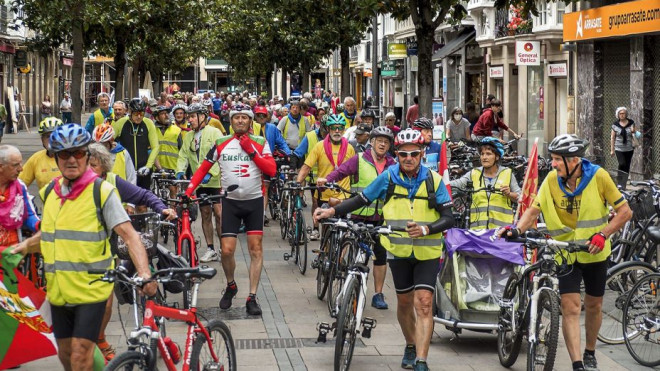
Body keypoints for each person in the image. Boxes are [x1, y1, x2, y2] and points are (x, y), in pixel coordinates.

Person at [11, 124, 157, 371]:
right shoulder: (51, 193)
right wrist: (22, 248)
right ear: (55, 158)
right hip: (59, 291)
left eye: (78, 153)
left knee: (80, 356)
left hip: (92, 291)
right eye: (64, 154)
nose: (71, 159)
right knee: (67, 357)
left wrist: (144, 273)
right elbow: (49, 235)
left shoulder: (102, 192)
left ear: (87, 156)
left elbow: (130, 236)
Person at [314, 128, 454, 371]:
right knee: (403, 304)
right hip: (399, 252)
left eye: (413, 154)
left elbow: (449, 217)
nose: (408, 158)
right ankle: (410, 344)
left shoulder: (435, 181)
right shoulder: (388, 177)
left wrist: (426, 229)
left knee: (423, 302)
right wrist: (331, 211)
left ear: (421, 154)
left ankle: (421, 360)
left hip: (428, 253)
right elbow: (362, 199)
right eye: (402, 154)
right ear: (396, 155)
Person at [497, 134, 632, 371]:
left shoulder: (599, 177)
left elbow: (624, 212)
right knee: (570, 306)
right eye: (553, 158)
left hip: (594, 252)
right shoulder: (550, 180)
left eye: (558, 159)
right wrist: (516, 229)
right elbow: (533, 210)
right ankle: (577, 363)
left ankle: (589, 351)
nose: (554, 164)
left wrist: (604, 234)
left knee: (594, 305)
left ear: (574, 160)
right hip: (565, 253)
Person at [185, 103, 276, 316]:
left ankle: (252, 297)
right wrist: (189, 190)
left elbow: (271, 169)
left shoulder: (260, 142)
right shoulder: (221, 143)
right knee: (226, 250)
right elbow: (202, 169)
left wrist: (251, 151)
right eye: (237, 118)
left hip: (253, 201)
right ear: (231, 121)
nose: (241, 121)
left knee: (256, 249)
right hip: (231, 202)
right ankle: (231, 285)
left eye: (245, 118)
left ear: (250, 120)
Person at [87, 142, 176, 361]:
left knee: (112, 297)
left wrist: (162, 207)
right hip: (85, 253)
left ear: (103, 166)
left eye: (93, 165)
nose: (88, 170)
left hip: (112, 248)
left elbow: (144, 196)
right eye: (86, 164)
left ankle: (101, 337)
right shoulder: (75, 186)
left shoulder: (111, 182)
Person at [317, 126, 397, 310]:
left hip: (380, 218)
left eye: (386, 142)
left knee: (380, 256)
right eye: (379, 141)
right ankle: (339, 271)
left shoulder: (393, 164)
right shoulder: (360, 160)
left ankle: (378, 294)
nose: (382, 144)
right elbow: (341, 172)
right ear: (372, 142)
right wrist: (327, 179)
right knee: (348, 244)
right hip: (358, 214)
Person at [175, 103, 224, 263]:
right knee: (205, 214)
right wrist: (180, 171)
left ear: (202, 116)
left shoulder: (214, 132)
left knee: (219, 213)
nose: (190, 120)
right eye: (189, 117)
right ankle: (211, 249)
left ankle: (224, 247)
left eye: (192, 116)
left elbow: (220, 154)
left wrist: (211, 173)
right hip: (199, 182)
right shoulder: (188, 136)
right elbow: (183, 155)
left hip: (215, 181)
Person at [296, 114, 355, 240]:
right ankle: (324, 254)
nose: (337, 131)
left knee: (343, 232)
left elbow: (354, 172)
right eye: (334, 128)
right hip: (324, 194)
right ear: (328, 129)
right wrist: (298, 182)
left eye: (340, 128)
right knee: (327, 232)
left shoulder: (350, 148)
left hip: (343, 195)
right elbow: (306, 166)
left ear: (344, 130)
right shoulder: (319, 146)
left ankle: (338, 257)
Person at [451, 137, 520, 229]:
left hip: (501, 233)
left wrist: (509, 194)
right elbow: (457, 184)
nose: (484, 157)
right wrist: (438, 181)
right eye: (482, 154)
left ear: (497, 156)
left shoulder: (507, 173)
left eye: (488, 154)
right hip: (478, 233)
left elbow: (521, 198)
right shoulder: (474, 173)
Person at [112, 98, 160, 196]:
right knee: (127, 201)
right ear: (130, 112)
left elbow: (155, 147)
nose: (139, 117)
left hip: (144, 169)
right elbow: (108, 140)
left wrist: (148, 166)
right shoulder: (121, 123)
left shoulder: (149, 123)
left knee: (142, 204)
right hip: (126, 169)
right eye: (135, 114)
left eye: (141, 114)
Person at [252, 105, 291, 225]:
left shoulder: (272, 128)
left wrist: (288, 154)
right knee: (261, 187)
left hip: (268, 161)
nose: (261, 118)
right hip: (254, 162)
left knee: (267, 186)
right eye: (258, 115)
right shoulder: (251, 128)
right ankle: (259, 213)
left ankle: (263, 213)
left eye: (263, 115)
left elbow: (281, 142)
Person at [1, 145, 40, 251]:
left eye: (20, 164)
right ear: (1, 167)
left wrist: (39, 225)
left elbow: (28, 215)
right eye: (15, 165)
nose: (21, 169)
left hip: (13, 252)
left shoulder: (19, 186)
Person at [19, 117, 63, 189]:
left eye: (55, 135)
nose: (52, 139)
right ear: (42, 140)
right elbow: (19, 184)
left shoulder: (70, 158)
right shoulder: (36, 158)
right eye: (47, 136)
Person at [92, 122, 137, 187]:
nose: (99, 148)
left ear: (111, 141)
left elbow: (131, 178)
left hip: (121, 194)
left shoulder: (123, 153)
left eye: (103, 144)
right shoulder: (92, 156)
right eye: (97, 144)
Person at [610, 106, 639, 188]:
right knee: (622, 163)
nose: (622, 115)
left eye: (624, 113)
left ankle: (624, 184)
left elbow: (635, 134)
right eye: (620, 113)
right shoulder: (615, 125)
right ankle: (619, 181)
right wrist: (612, 150)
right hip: (619, 148)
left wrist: (634, 131)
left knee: (627, 166)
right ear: (618, 115)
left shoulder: (631, 123)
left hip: (629, 149)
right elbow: (612, 137)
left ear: (626, 114)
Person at [152, 105, 182, 176]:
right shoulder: (152, 130)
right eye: (163, 114)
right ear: (157, 117)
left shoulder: (176, 130)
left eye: (167, 113)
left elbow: (182, 151)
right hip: (156, 169)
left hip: (173, 169)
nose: (166, 116)